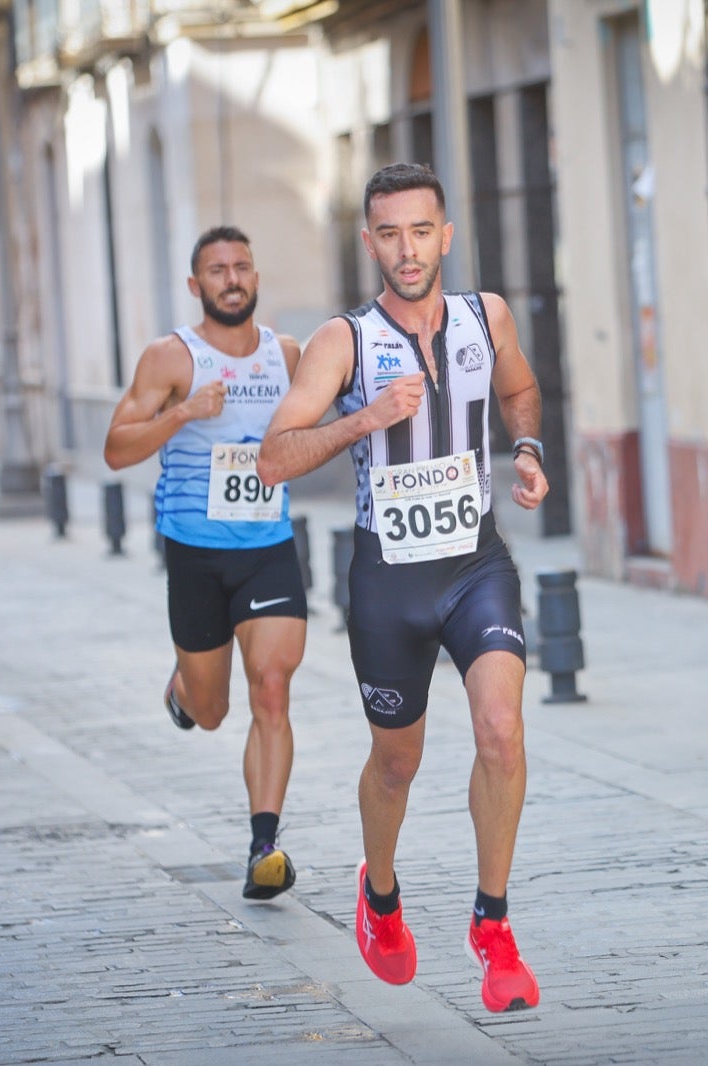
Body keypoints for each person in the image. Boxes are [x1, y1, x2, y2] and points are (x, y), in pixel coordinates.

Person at [257, 162, 549, 1013]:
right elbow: (276, 456)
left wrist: (526, 451)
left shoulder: (484, 317)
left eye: (421, 230)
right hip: (388, 581)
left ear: (445, 235)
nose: (407, 248)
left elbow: (521, 389)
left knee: (500, 730)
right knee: (397, 761)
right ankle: (379, 892)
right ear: (369, 241)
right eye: (389, 232)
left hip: (476, 566)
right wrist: (365, 419)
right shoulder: (341, 343)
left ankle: (493, 925)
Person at [103, 225, 309, 902]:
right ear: (197, 286)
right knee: (213, 710)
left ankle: (264, 846)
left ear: (255, 277)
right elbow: (116, 448)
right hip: (195, 556)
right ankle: (183, 690)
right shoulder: (171, 357)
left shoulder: (286, 354)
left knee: (272, 688)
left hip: (268, 551)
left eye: (242, 266)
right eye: (217, 270)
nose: (231, 278)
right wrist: (184, 412)